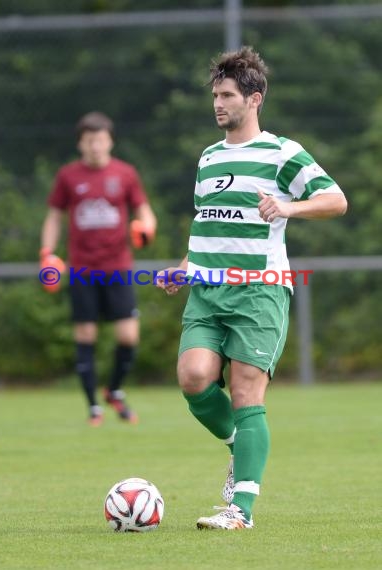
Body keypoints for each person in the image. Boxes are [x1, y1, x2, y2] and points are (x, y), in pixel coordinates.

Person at [156, 46, 347, 530]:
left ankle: (240, 511)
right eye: (215, 95)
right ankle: (242, 449)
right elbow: (208, 225)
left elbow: (335, 199)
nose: (218, 104)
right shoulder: (209, 156)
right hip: (207, 288)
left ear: (254, 99)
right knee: (194, 377)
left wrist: (289, 208)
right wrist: (182, 266)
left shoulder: (283, 152)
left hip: (259, 290)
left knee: (245, 392)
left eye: (227, 95)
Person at [40, 111, 156, 426]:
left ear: (110, 142)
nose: (95, 146)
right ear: (80, 143)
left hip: (117, 266)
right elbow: (54, 216)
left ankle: (114, 390)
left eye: (101, 140)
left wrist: (146, 229)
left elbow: (145, 212)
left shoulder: (126, 173)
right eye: (89, 140)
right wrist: (47, 253)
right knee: (86, 335)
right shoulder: (67, 176)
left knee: (128, 336)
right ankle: (93, 406)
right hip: (82, 269)